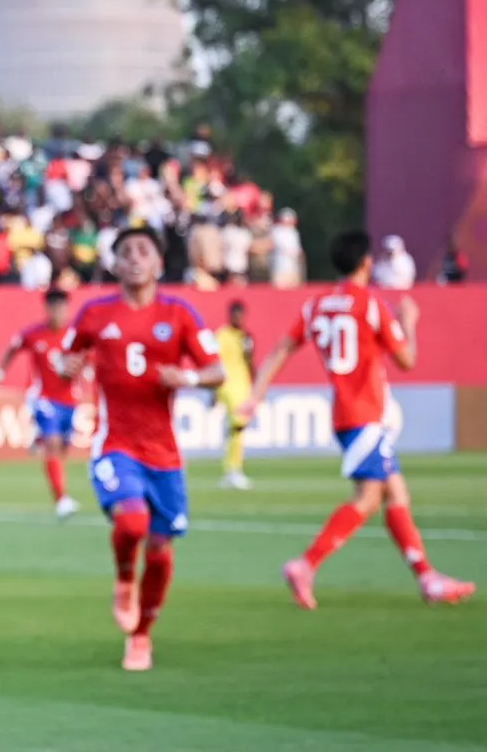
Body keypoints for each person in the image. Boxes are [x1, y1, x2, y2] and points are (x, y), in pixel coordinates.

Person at [246, 230, 474, 609]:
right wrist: (409, 322)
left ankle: (428, 578)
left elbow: (282, 348)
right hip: (367, 413)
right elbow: (407, 361)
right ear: (367, 263)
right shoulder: (370, 305)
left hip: (347, 413)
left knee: (396, 493)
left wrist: (255, 396)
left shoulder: (316, 305)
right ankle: (307, 564)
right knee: (369, 498)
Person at [59, 225, 224, 672]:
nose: (134, 257)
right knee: (132, 521)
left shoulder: (180, 314)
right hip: (115, 442)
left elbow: (216, 371)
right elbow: (63, 359)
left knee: (162, 546)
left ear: (158, 262)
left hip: (164, 452)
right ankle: (124, 580)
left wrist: (185, 378)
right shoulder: (94, 314)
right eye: (125, 251)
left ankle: (142, 636)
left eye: (143, 250)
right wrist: (67, 366)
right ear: (114, 263)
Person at [0, 288, 81, 519]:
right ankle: (61, 499)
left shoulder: (75, 335)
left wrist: (83, 369)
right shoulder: (34, 334)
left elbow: (89, 357)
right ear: (46, 309)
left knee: (62, 448)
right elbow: (12, 348)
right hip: (43, 398)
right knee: (53, 444)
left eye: (61, 307)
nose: (57, 312)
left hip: (70, 400)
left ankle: (40, 440)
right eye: (53, 307)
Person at [214, 300, 256, 490]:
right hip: (228, 386)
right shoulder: (222, 335)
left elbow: (250, 361)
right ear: (230, 315)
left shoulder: (246, 337)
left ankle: (232, 468)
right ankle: (233, 471)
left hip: (244, 386)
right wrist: (213, 390)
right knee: (238, 426)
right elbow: (214, 361)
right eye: (235, 315)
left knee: (237, 429)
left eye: (241, 315)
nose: (238, 318)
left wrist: (255, 386)